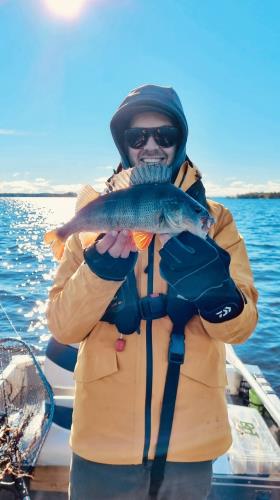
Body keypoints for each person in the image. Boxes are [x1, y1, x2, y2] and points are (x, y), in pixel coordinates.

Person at [46, 84, 258, 500]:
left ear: (180, 141)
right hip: (101, 444)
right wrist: (99, 272)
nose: (151, 147)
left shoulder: (215, 220)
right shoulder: (95, 221)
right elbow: (63, 327)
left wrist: (217, 294)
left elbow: (242, 328)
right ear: (124, 144)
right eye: (137, 137)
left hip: (192, 444)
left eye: (165, 135)